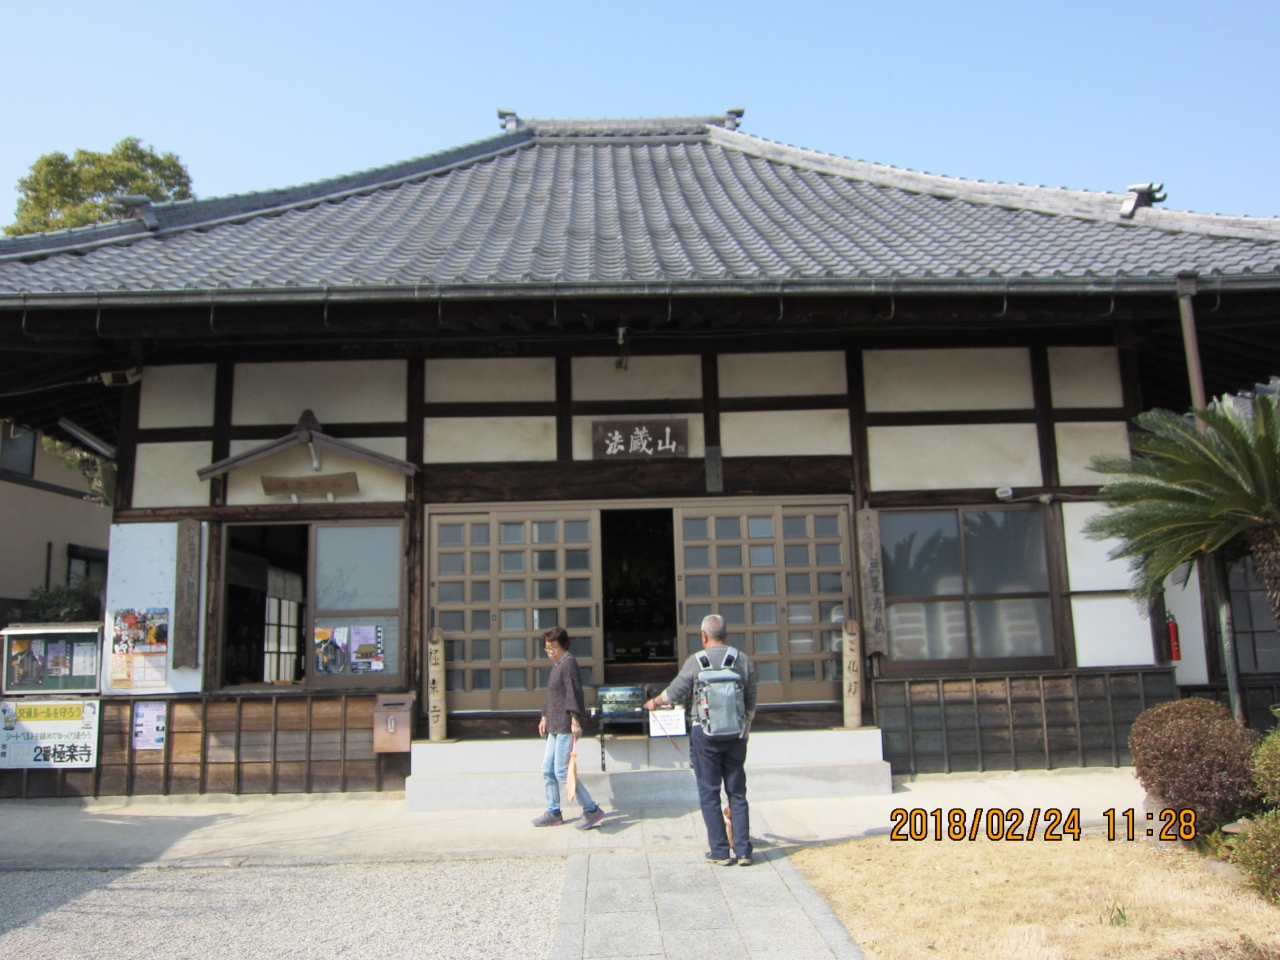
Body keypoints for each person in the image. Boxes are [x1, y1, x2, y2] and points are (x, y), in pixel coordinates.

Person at [645, 614, 757, 865]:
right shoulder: (742, 660)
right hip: (736, 733)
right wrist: (746, 728)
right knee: (737, 792)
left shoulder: (697, 661)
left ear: (703, 636)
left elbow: (675, 691)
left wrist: (655, 702)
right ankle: (743, 851)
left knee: (709, 792)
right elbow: (751, 697)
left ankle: (720, 851)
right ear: (726, 635)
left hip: (705, 734)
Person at [533, 626, 606, 829]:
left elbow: (574, 693)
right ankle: (553, 812)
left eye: (554, 647)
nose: (550, 651)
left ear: (564, 645)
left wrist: (575, 719)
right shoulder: (557, 665)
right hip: (554, 724)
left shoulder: (568, 663)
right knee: (547, 769)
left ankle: (591, 809)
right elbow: (553, 696)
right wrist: (544, 716)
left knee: (561, 771)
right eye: (547, 647)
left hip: (566, 724)